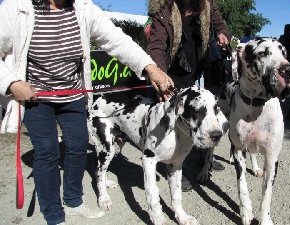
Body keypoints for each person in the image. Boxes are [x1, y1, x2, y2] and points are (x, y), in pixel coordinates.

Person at [0, 0, 174, 224]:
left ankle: (73, 201)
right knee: (47, 151)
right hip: (35, 97)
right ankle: (53, 214)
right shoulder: (17, 8)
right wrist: (12, 83)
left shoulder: (83, 8)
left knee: (78, 145)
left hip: (73, 94)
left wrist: (150, 68)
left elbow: (117, 40)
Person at [146, 0, 230, 191]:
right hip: (170, 71)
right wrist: (158, 74)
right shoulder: (164, 10)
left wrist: (222, 34)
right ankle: (175, 168)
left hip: (194, 68)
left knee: (202, 116)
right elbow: (157, 46)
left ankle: (206, 157)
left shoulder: (206, 5)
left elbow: (219, 23)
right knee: (173, 123)